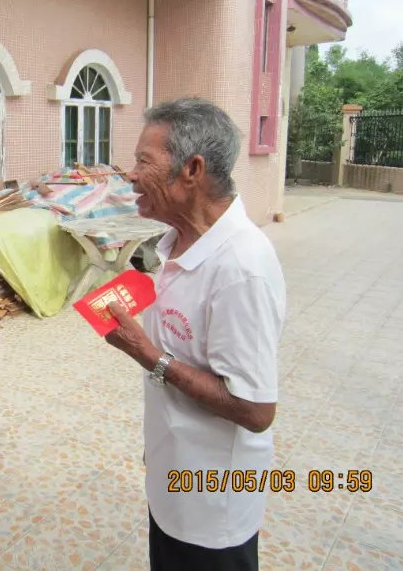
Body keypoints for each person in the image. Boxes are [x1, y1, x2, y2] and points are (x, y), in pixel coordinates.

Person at [104, 98, 286, 571]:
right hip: (173, 480)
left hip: (213, 505)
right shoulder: (176, 241)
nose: (131, 175)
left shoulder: (241, 268)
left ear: (192, 170)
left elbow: (255, 410)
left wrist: (149, 356)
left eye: (144, 161)